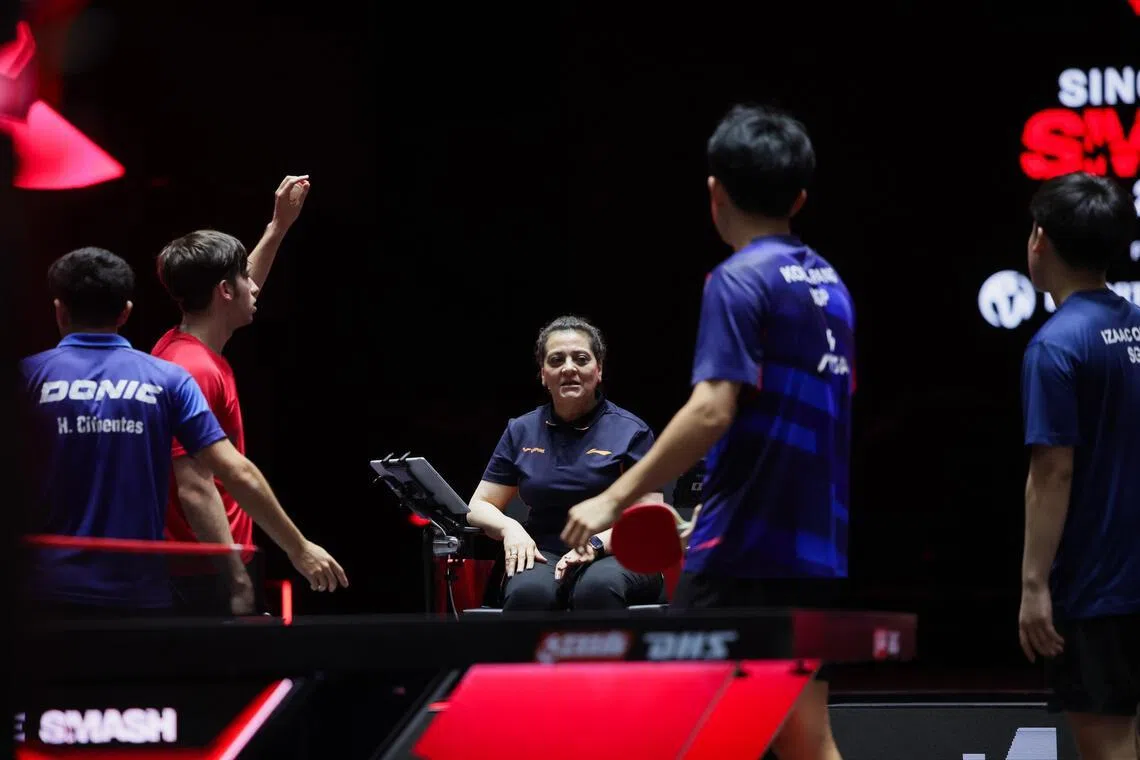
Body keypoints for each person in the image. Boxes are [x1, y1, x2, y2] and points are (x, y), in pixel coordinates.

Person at [562, 103, 853, 759]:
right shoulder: (831, 285)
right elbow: (787, 423)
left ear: (715, 192)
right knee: (807, 736)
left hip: (744, 550)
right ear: (799, 197)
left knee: (688, 732)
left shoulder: (736, 280)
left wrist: (614, 496)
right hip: (816, 550)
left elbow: (712, 410)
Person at [18, 247, 346, 619]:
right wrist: (294, 549)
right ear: (126, 312)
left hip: (46, 593)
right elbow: (232, 471)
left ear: (59, 310)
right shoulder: (167, 379)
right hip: (140, 598)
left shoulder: (25, 379)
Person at [152, 175, 348, 614]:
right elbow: (194, 487)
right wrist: (235, 577)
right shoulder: (193, 369)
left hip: (202, 569)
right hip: (201, 576)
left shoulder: (189, 345)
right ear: (223, 291)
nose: (253, 285)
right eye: (242, 277)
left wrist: (277, 228)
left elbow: (239, 294)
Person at [1018, 171, 1140, 760]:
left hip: (1098, 590)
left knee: (1109, 748)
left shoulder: (1056, 345)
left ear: (1039, 238)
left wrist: (1034, 586)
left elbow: (1052, 473)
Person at [465, 315, 667, 611]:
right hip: (544, 552)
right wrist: (510, 528)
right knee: (528, 595)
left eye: (581, 359)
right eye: (556, 360)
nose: (569, 368)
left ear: (598, 370)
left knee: (596, 589)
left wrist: (596, 545)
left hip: (618, 552)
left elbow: (651, 520)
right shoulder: (521, 429)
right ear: (543, 374)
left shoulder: (631, 431)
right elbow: (479, 506)